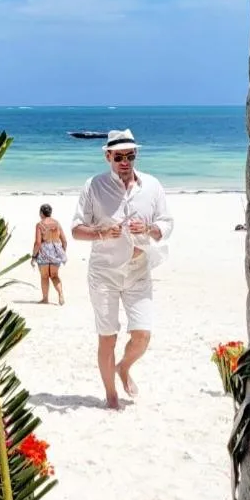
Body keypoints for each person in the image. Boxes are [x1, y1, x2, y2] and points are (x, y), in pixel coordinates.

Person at [71, 128, 173, 409]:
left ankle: (124, 367)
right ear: (108, 157)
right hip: (104, 272)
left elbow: (167, 222)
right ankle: (111, 396)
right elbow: (77, 230)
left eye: (130, 155)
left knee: (142, 335)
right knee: (108, 336)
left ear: (136, 154)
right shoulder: (93, 186)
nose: (125, 161)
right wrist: (100, 232)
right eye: (118, 157)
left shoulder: (152, 186)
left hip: (139, 270)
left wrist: (151, 229)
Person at [31, 204, 67, 305]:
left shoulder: (40, 225)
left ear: (41, 213)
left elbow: (38, 243)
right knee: (55, 276)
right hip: (56, 253)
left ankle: (45, 299)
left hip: (44, 254)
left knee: (44, 276)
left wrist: (33, 256)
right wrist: (62, 252)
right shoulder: (57, 223)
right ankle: (60, 294)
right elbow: (64, 241)